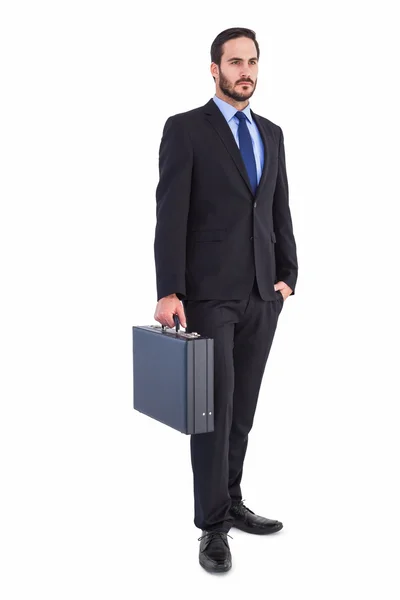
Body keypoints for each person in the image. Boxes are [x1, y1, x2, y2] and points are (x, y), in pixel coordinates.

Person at [153, 27, 298, 574]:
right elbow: (171, 213)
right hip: (209, 295)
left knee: (243, 411)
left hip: (263, 293)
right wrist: (169, 289)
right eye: (235, 61)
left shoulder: (273, 133)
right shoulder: (186, 129)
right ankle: (211, 526)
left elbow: (278, 206)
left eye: (252, 62)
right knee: (211, 413)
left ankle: (232, 502)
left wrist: (289, 274)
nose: (246, 71)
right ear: (213, 68)